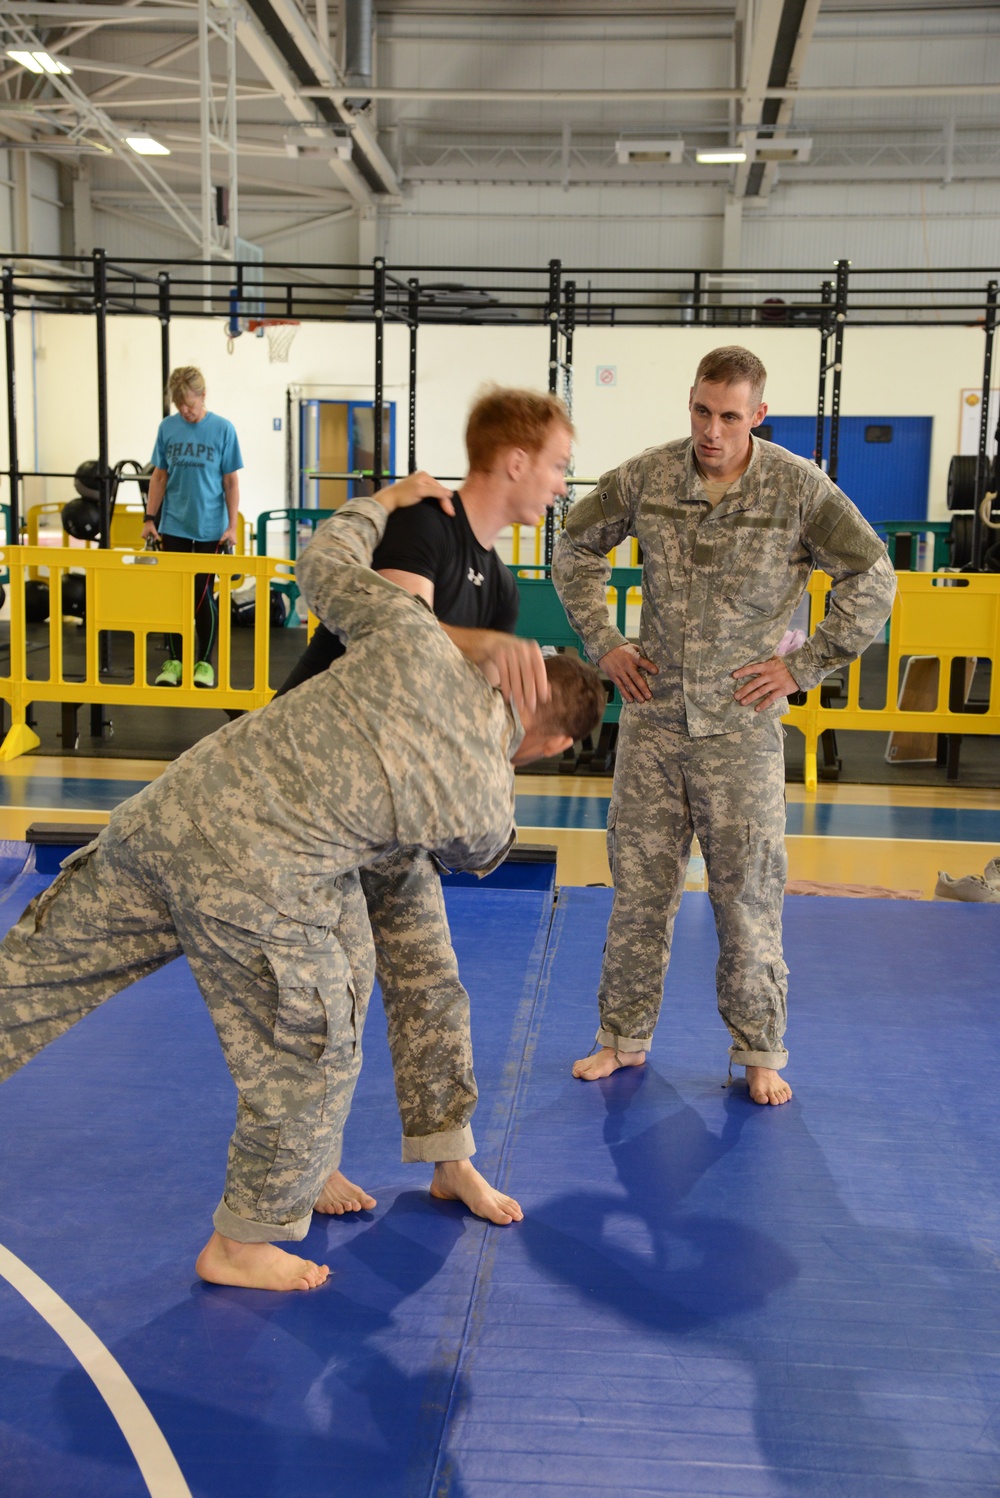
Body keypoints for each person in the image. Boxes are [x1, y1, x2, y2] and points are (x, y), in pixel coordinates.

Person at [0, 475, 606, 1293]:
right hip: (255, 882)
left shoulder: (415, 635)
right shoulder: (484, 791)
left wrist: (384, 500)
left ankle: (359, 1160)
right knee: (316, 1047)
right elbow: (479, 849)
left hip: (171, 814)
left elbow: (321, 561)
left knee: (35, 980)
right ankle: (243, 1242)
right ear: (548, 743)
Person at [553, 345, 897, 1104]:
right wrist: (604, 642)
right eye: (702, 412)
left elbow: (873, 577)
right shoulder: (648, 477)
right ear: (690, 403)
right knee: (639, 892)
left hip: (741, 730)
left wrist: (803, 668)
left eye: (730, 416)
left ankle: (760, 1049)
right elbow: (574, 543)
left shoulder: (798, 489)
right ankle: (621, 1036)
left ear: (758, 415)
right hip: (653, 720)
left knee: (747, 897)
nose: (712, 430)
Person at [275, 388, 575, 1223]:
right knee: (328, 991)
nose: (559, 483)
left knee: (432, 983)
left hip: (394, 815)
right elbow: (394, 644)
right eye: (556, 465)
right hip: (317, 793)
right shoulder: (425, 529)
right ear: (514, 461)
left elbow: (465, 719)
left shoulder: (504, 590)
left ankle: (449, 1159)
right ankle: (308, 1165)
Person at [143, 366, 243, 690]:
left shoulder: (223, 430)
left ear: (203, 396)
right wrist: (149, 518)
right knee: (175, 597)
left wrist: (232, 526)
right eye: (180, 406)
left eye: (190, 404)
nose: (185, 411)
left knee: (202, 596)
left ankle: (203, 663)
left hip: (210, 529)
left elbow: (230, 481)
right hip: (174, 525)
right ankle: (174, 661)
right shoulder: (168, 428)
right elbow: (159, 477)